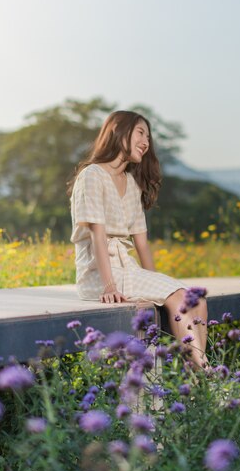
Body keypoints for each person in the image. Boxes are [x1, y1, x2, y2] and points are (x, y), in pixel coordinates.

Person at [67, 110, 208, 370]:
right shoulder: (92, 175)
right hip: (98, 274)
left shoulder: (130, 183)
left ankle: (200, 369)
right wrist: (109, 286)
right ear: (117, 131)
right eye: (140, 133)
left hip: (127, 270)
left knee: (194, 299)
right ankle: (206, 377)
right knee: (180, 296)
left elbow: (141, 244)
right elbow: (98, 235)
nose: (146, 142)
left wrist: (156, 286)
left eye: (148, 137)